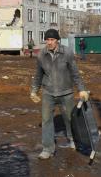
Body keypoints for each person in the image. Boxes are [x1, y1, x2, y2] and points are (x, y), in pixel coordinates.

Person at [30, 29, 90, 159]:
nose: (49, 42)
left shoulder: (67, 52)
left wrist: (81, 89)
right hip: (48, 92)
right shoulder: (41, 55)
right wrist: (34, 90)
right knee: (46, 120)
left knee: (70, 118)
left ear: (57, 40)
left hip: (66, 92)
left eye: (52, 40)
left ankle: (73, 139)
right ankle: (47, 148)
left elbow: (75, 73)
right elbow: (38, 75)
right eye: (47, 40)